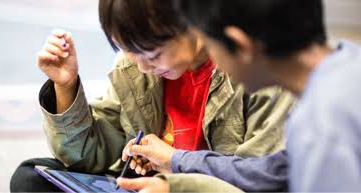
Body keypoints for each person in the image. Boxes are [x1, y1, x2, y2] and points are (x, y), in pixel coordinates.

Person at [9, 0, 295, 192]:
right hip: (149, 186)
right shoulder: (136, 65)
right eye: (127, 50)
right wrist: (66, 85)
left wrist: (174, 168)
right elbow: (89, 156)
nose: (142, 66)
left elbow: (261, 181)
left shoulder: (254, 71)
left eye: (153, 54)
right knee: (31, 177)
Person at [117, 0, 361, 192]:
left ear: (241, 46)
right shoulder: (347, 65)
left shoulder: (321, 124)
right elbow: (271, 174)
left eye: (210, 46)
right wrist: (178, 170)